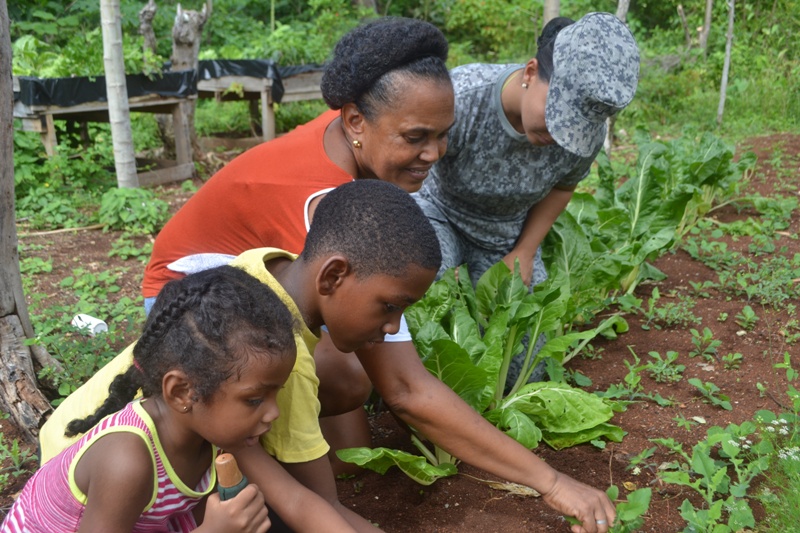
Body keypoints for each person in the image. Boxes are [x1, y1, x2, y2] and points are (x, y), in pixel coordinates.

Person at [41, 181, 616, 533]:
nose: (393, 329)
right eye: (389, 307)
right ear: (335, 273)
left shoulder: (266, 284)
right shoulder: (263, 361)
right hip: (97, 488)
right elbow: (316, 507)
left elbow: (303, 498)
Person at [3, 266, 355, 532]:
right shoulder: (127, 462)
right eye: (254, 399)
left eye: (275, 394)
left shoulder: (221, 433)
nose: (273, 413)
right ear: (183, 392)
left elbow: (295, 500)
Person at [141, 16, 454, 307]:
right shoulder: (325, 204)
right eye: (414, 138)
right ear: (355, 120)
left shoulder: (346, 127)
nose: (434, 153)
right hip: (185, 294)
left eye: (443, 134)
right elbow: (349, 340)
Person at [412, 12, 640, 386]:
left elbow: (563, 187)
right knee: (419, 284)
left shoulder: (585, 138)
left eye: (573, 130)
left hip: (505, 231)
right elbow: (407, 164)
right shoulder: (462, 98)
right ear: (530, 72)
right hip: (437, 210)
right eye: (557, 116)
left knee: (527, 366)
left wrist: (527, 250)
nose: (559, 135)